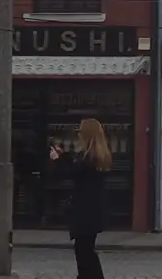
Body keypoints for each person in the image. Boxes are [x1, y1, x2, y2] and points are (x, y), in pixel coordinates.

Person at [49, 118, 112, 279]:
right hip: (92, 212)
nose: (78, 136)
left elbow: (71, 173)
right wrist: (64, 156)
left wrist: (57, 160)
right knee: (86, 251)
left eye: (80, 133)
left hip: (86, 213)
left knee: (84, 252)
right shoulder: (96, 156)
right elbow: (76, 166)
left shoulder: (89, 158)